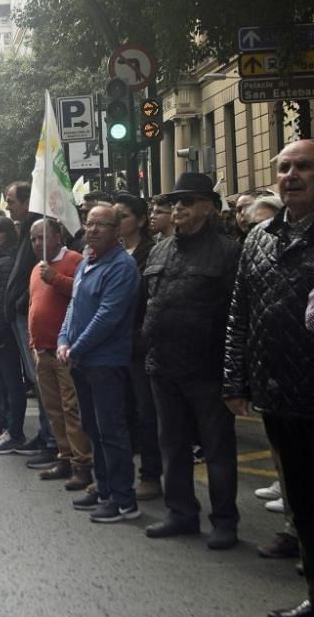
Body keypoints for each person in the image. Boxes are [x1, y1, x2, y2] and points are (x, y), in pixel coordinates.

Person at [224, 139, 314, 617]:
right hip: (278, 393)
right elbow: (241, 312)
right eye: (284, 167)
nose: (292, 175)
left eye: (303, 166)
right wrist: (235, 380)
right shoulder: (259, 237)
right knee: (301, 502)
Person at [141, 172, 242, 550]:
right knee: (172, 444)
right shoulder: (160, 250)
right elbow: (149, 305)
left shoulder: (228, 251)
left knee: (217, 449)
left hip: (207, 369)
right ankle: (181, 513)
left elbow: (238, 314)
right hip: (162, 366)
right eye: (174, 202)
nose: (178, 208)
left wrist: (235, 374)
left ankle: (225, 521)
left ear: (207, 207)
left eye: (187, 201)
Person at [58, 205, 141, 523]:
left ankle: (123, 500)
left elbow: (108, 316)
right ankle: (104, 489)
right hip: (82, 359)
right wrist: (64, 339)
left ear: (117, 230)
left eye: (101, 225)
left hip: (106, 361)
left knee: (112, 431)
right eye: (89, 224)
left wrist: (76, 347)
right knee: (93, 428)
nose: (92, 230)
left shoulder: (121, 266)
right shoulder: (87, 261)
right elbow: (74, 306)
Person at [28, 218, 93, 490]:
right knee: (54, 410)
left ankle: (82, 463)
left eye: (43, 237)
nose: (38, 244)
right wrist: (33, 343)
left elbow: (83, 296)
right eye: (34, 239)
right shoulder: (36, 268)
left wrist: (55, 279)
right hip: (42, 350)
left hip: (64, 350)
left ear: (58, 236)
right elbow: (34, 304)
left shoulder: (76, 261)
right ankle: (64, 457)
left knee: (72, 408)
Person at [2, 181, 56, 463]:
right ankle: (46, 435)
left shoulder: (38, 227)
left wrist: (21, 300)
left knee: (42, 380)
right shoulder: (24, 229)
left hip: (31, 315)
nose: (8, 207)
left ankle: (51, 440)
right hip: (22, 314)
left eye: (11, 201)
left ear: (26, 202)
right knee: (37, 381)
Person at [114, 192, 162, 502]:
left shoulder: (152, 253)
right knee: (122, 411)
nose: (117, 223)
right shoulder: (110, 253)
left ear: (141, 221)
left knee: (147, 412)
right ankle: (120, 475)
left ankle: (151, 475)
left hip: (141, 344)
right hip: (114, 344)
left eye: (123, 216)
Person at [0, 215, 30, 454]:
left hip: (4, 333)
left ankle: (15, 432)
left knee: (13, 384)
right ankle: (8, 429)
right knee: (3, 381)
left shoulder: (7, 261)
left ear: (9, 233)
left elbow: (2, 302)